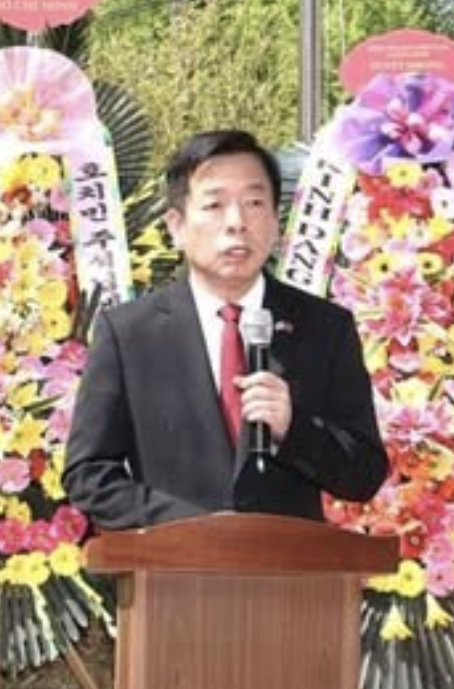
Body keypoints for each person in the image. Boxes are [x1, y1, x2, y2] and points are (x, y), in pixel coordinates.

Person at [63, 129, 388, 528]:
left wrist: (293, 429)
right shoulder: (129, 333)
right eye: (215, 205)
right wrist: (193, 527)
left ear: (273, 221)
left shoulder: (325, 328)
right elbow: (89, 475)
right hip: (173, 577)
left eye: (254, 203)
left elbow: (365, 475)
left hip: (294, 579)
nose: (236, 222)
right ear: (177, 226)